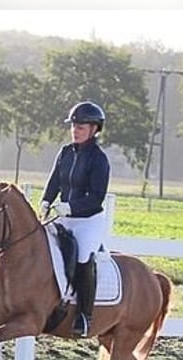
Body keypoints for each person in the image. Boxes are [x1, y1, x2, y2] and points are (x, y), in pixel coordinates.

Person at [40, 100, 111, 338]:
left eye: (81, 126)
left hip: (88, 220)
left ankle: (84, 315)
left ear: (93, 129)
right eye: (74, 126)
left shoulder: (98, 159)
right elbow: (54, 182)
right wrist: (46, 201)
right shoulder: (65, 153)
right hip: (63, 215)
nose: (75, 130)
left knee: (82, 257)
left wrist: (70, 207)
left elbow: (96, 198)